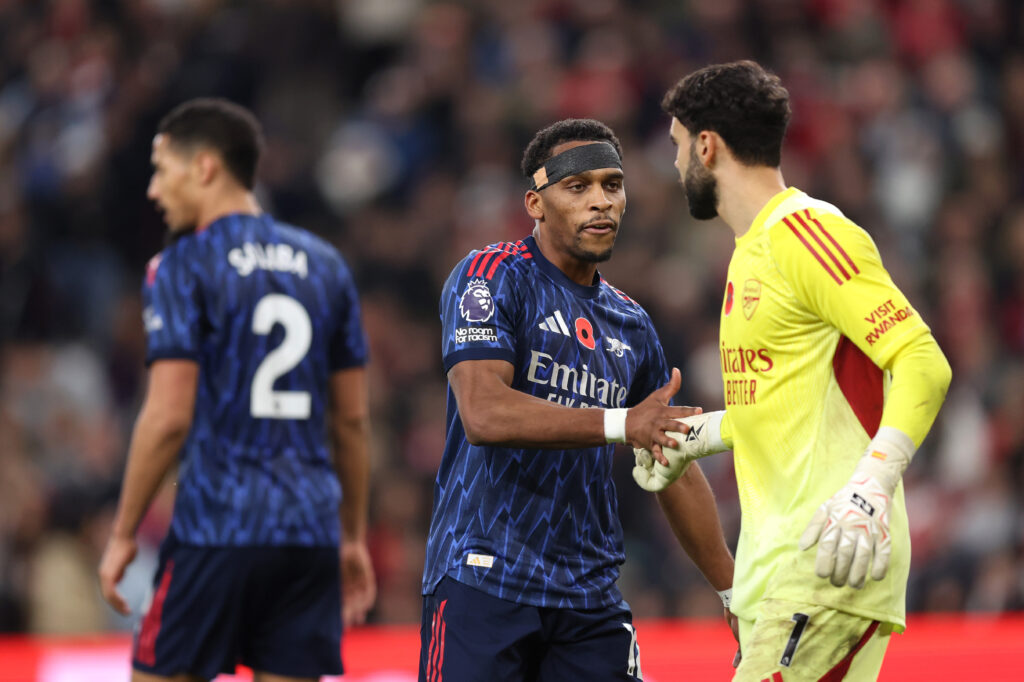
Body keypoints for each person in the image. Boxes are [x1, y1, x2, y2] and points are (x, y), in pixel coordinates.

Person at [645, 60, 952, 681]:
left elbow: (923, 360)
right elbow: (783, 403)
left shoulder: (807, 233)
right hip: (782, 573)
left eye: (678, 148)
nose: (678, 166)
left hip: (827, 556)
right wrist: (695, 437)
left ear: (707, 146)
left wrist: (872, 486)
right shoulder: (749, 254)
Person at [419, 118, 737, 682]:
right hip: (483, 578)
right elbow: (484, 413)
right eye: (578, 187)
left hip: (587, 597)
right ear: (535, 203)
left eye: (612, 185)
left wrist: (732, 590)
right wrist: (622, 423)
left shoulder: (630, 322)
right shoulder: (489, 277)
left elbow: (670, 461)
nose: (601, 203)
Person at [97, 98, 376, 682]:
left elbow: (168, 415)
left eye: (162, 169)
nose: (153, 189)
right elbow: (351, 422)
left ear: (204, 168)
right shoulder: (327, 266)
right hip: (309, 532)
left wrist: (124, 532)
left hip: (217, 525)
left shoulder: (181, 265)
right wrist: (351, 536)